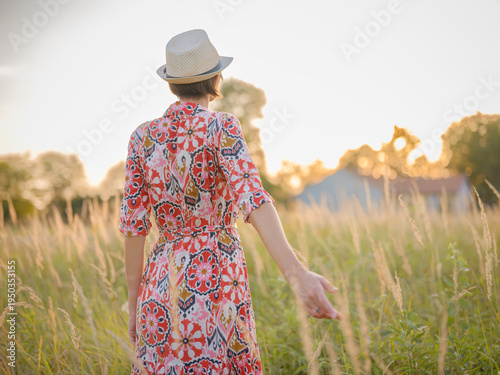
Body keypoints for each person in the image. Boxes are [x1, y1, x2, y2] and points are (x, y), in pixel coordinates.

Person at [119, 29, 341, 375]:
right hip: (215, 281)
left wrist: (135, 304)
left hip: (159, 288)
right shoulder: (222, 127)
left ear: (171, 83)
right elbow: (254, 201)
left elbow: (133, 228)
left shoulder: (141, 138)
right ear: (215, 78)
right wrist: (297, 275)